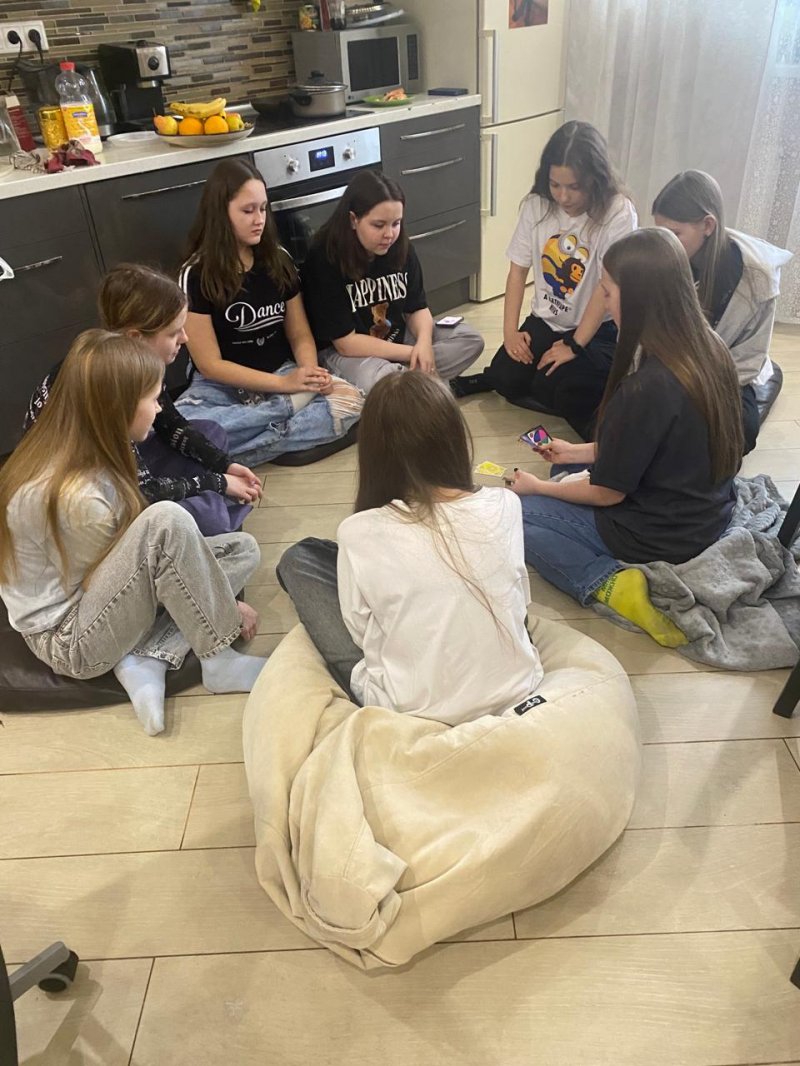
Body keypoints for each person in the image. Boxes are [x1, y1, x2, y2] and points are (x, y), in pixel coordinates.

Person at [0, 330, 268, 737]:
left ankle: (147, 656)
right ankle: (218, 659)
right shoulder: (75, 496)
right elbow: (108, 579)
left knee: (241, 549)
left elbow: (132, 557)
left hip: (98, 595)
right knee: (167, 521)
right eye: (154, 399)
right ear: (119, 407)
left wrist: (210, 593)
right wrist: (224, 609)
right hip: (71, 637)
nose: (160, 409)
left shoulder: (96, 447)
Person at [511, 228, 744, 648]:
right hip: (710, 513)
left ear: (637, 298)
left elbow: (607, 493)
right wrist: (575, 450)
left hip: (661, 533)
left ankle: (607, 582)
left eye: (607, 292)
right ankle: (567, 484)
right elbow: (655, 443)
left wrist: (538, 488)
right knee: (565, 465)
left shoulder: (645, 387)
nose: (603, 301)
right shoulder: (711, 346)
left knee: (515, 515)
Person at [276, 372, 543, 725]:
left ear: (374, 452)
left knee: (300, 558)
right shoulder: (506, 503)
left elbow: (360, 633)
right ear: (454, 438)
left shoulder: (360, 531)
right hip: (521, 687)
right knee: (332, 557)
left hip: (409, 709)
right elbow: (521, 600)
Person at [25, 263, 261, 536]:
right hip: (96, 495)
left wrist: (224, 466)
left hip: (128, 468)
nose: (185, 338)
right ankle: (215, 520)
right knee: (206, 519)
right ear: (135, 337)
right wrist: (217, 483)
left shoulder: (134, 362)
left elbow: (171, 425)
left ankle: (214, 517)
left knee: (210, 432)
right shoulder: (110, 385)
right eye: (173, 332)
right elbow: (142, 491)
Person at [453, 121, 637, 439]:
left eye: (574, 187)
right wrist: (510, 333)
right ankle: (533, 380)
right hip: (547, 319)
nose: (563, 196)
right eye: (555, 185)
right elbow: (517, 271)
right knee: (506, 377)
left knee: (562, 388)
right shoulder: (536, 204)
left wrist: (575, 345)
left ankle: (605, 423)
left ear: (596, 179)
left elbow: (604, 288)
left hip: (596, 329)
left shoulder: (618, 213)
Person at [175, 157, 363, 466]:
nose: (259, 219)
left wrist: (308, 375)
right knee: (184, 428)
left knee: (352, 402)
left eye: (263, 209)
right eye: (248, 210)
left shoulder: (279, 260)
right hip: (221, 387)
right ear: (220, 213)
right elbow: (209, 365)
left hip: (281, 371)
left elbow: (299, 334)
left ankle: (220, 453)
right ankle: (285, 419)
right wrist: (287, 390)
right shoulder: (195, 273)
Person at [300, 170, 484, 393]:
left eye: (396, 223)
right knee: (379, 379)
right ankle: (423, 384)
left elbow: (417, 308)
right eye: (379, 225)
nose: (389, 234)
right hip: (347, 353)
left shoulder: (400, 246)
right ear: (353, 220)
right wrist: (414, 353)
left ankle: (409, 385)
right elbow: (346, 343)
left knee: (470, 339)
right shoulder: (324, 257)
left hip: (398, 339)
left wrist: (424, 344)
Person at [653, 169, 793, 453]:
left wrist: (698, 388)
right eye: (661, 232)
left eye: (675, 234)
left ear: (708, 225)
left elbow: (749, 359)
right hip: (672, 365)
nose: (666, 242)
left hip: (723, 377)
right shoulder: (660, 257)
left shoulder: (757, 278)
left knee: (739, 431)